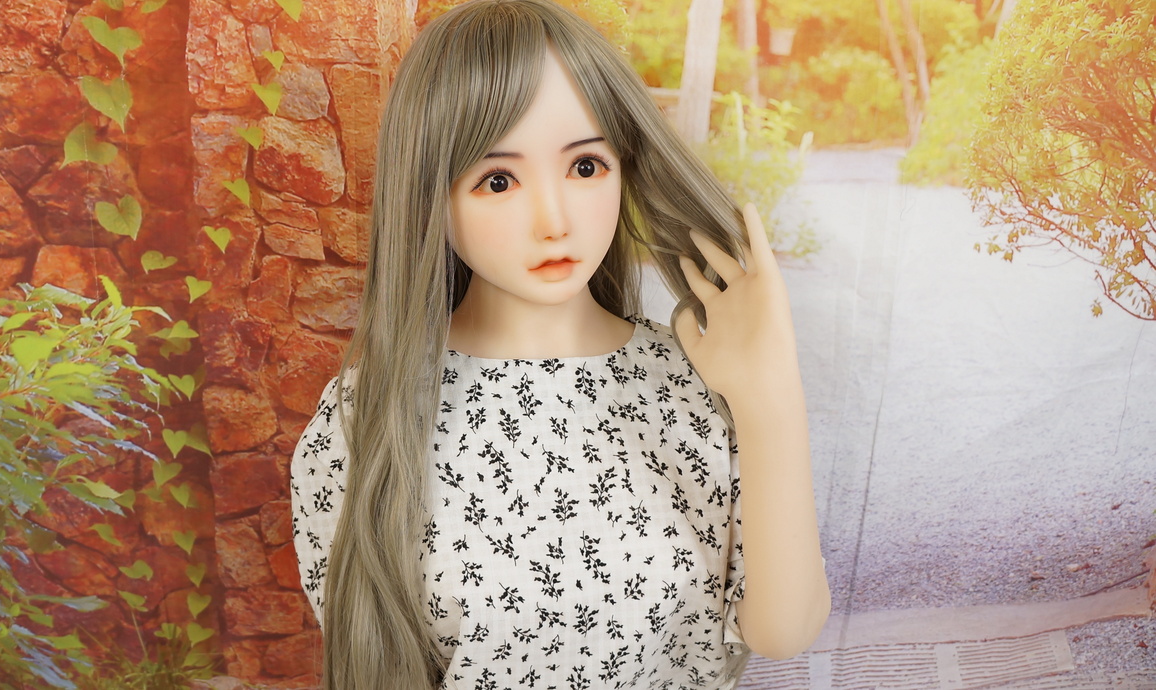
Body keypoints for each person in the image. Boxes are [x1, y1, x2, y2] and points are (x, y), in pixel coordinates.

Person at [290, 1, 830, 688]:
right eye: (498, 180)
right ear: (430, 193)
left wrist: (770, 393)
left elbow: (784, 629)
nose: (554, 220)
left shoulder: (692, 388)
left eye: (585, 167)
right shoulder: (363, 415)